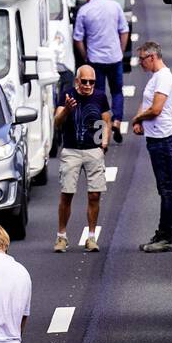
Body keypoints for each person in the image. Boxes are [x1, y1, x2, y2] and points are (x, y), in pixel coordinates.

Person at [53, 65, 112, 253]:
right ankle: (61, 236)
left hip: (93, 150)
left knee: (95, 194)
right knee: (67, 193)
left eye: (91, 82)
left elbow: (106, 121)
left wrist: (104, 142)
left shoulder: (100, 97)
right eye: (84, 81)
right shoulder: (67, 95)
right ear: (77, 80)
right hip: (71, 150)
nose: (87, 85)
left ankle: (92, 237)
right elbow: (56, 122)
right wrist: (67, 110)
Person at [134, 42, 172, 252]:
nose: (140, 64)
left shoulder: (163, 77)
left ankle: (166, 237)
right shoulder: (156, 78)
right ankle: (162, 233)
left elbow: (156, 109)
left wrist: (138, 117)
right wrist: (139, 121)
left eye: (142, 59)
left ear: (152, 57)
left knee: (168, 189)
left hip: (162, 139)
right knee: (164, 188)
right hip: (155, 139)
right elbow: (147, 104)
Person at [73, 0, 130, 142]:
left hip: (95, 59)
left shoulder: (84, 11)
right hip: (114, 58)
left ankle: (101, 130)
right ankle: (117, 120)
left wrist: (85, 57)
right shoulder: (115, 6)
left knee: (97, 94)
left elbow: (78, 38)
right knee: (117, 91)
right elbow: (124, 30)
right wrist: (121, 50)